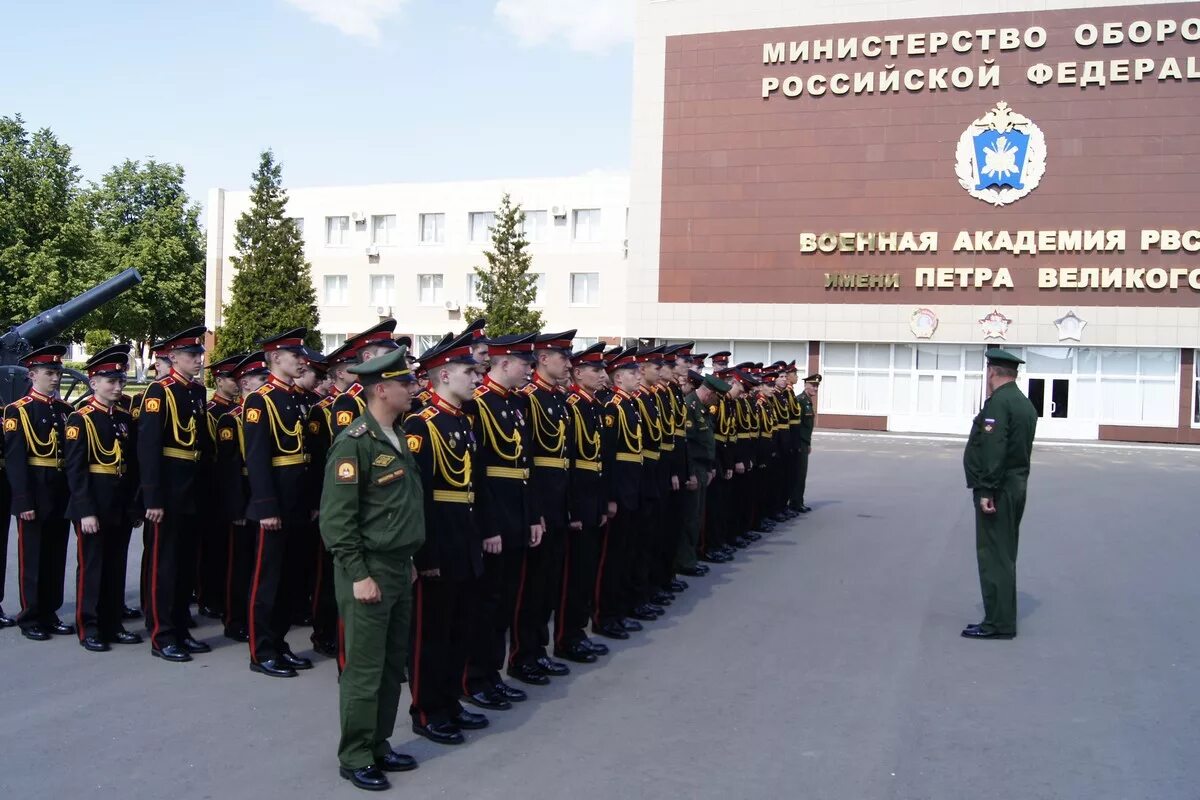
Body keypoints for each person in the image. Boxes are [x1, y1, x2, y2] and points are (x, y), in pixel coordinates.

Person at [319, 346, 423, 792]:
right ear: (383, 389)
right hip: (370, 570)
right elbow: (337, 521)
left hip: (399, 566)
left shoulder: (396, 435)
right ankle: (356, 754)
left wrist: (410, 560)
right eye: (406, 384)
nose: (413, 389)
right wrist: (359, 574)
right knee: (363, 668)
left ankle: (380, 743)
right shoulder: (355, 442)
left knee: (391, 663)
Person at [404, 332, 488, 744]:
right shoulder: (421, 425)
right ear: (442, 375)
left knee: (459, 629)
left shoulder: (462, 420)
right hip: (439, 541)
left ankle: (450, 700)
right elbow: (417, 497)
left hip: (465, 537)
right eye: (469, 371)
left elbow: (473, 488)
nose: (477, 377)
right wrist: (425, 554)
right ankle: (426, 709)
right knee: (430, 634)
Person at [462, 333, 539, 710]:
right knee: (486, 603)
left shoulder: (517, 403)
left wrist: (534, 515)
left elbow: (527, 465)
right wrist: (488, 526)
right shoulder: (478, 404)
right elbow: (477, 472)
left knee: (505, 600)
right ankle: (476, 678)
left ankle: (493, 674)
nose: (530, 368)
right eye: (525, 363)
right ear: (504, 363)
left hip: (517, 508)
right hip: (494, 511)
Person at [137, 326, 213, 662]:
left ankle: (181, 628)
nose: (198, 360)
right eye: (191, 355)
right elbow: (149, 449)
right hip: (167, 490)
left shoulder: (196, 392)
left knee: (185, 566)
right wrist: (152, 498)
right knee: (164, 567)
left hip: (191, 488)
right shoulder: (159, 392)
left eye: (198, 355)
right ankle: (163, 635)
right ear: (173, 358)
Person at [243, 329, 314, 678]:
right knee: (268, 581)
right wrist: (267, 507)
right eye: (294, 356)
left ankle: (280, 642)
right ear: (275, 359)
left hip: (297, 502)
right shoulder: (260, 401)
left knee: (290, 579)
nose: (302, 361)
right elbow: (257, 460)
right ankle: (262, 650)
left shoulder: (297, 398)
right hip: (275, 503)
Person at [64, 345, 143, 651]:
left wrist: (134, 505)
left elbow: (131, 466)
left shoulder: (122, 417)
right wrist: (85, 510)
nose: (117, 386)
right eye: (110, 381)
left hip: (119, 503)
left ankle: (113, 622)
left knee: (116, 565)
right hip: (94, 504)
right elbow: (76, 470)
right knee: (93, 566)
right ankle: (90, 626)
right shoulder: (80, 419)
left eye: (120, 381)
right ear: (93, 382)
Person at [508, 330, 575, 685]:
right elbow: (526, 463)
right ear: (544, 359)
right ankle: (522, 655)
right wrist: (535, 512)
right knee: (531, 588)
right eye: (562, 356)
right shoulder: (528, 399)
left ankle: (539, 651)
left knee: (548, 585)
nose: (568, 363)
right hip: (540, 504)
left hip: (558, 500)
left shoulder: (557, 398)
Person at [962, 348, 1037, 641]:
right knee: (1004, 553)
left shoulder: (999, 404)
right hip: (1015, 486)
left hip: (999, 490)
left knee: (994, 555)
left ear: (992, 372)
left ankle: (998, 622)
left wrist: (987, 490)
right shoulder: (1023, 404)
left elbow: (994, 450)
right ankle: (1000, 617)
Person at [4, 344, 74, 640]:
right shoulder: (18, 411)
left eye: (58, 372)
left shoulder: (64, 411)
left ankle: (50, 610)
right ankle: (30, 615)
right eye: (49, 372)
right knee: (32, 556)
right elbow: (16, 461)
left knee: (56, 555)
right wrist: (23, 500)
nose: (55, 378)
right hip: (35, 490)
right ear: (32, 375)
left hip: (59, 490)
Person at [556, 343, 615, 663]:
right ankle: (567, 637)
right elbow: (572, 461)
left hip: (593, 499)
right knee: (574, 575)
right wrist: (575, 508)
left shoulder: (591, 405)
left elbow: (600, 460)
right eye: (597, 369)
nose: (603, 375)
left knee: (586, 570)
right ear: (578, 373)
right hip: (580, 500)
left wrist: (603, 502)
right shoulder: (574, 404)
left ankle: (577, 632)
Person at [215, 352, 270, 643]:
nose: (267, 383)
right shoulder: (231, 419)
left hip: (261, 494)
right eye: (262, 379)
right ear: (245, 383)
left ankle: (254, 618)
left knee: (259, 565)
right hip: (243, 495)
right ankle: (236, 619)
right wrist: (235, 506)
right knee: (240, 564)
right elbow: (229, 468)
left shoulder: (266, 412)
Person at [593, 347, 644, 640]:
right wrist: (611, 495)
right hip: (620, 486)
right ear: (620, 377)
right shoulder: (613, 406)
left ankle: (619, 609)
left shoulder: (629, 404)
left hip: (632, 484)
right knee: (610, 558)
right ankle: (605, 615)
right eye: (633, 373)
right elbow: (609, 455)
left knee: (625, 552)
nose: (639, 378)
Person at [197, 353, 244, 621]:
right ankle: (210, 597)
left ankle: (224, 597)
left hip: (230, 485)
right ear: (219, 380)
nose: (236, 383)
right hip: (215, 485)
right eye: (230, 378)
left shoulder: (237, 410)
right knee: (213, 549)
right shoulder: (213, 412)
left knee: (229, 551)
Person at [675, 372, 729, 578]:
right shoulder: (690, 406)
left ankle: (691, 557)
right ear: (708, 393)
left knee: (697, 516)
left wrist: (711, 466)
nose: (716, 401)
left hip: (703, 467)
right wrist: (691, 473)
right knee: (690, 518)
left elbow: (708, 440)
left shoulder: (702, 407)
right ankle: (685, 561)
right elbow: (687, 444)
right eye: (716, 396)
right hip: (694, 467)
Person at [792, 373, 820, 514]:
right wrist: (800, 444)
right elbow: (797, 426)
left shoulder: (808, 401)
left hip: (804, 442)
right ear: (806, 386)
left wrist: (808, 443)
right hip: (799, 443)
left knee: (801, 474)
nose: (815, 388)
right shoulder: (800, 401)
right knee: (799, 474)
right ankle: (796, 502)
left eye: (817, 386)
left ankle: (798, 501)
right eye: (813, 385)